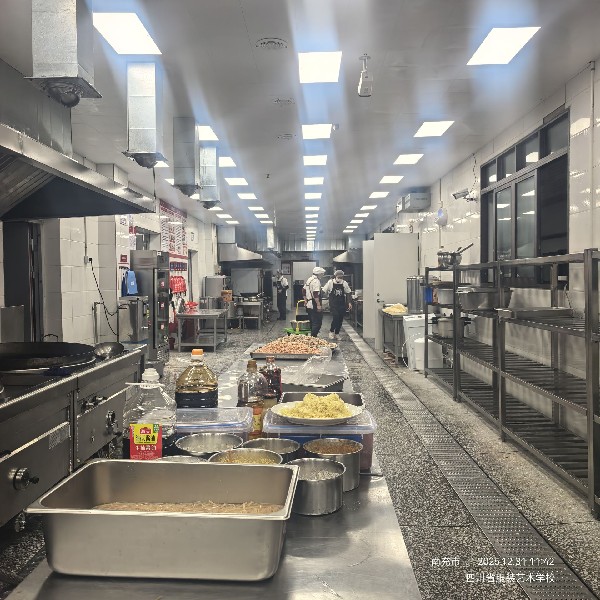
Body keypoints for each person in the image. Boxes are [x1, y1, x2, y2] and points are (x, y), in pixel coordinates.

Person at [322, 270, 352, 340]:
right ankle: (331, 331)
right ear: (335, 276)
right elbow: (323, 290)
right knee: (336, 317)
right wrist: (320, 299)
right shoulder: (330, 282)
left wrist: (349, 302)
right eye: (339, 277)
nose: (340, 278)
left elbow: (348, 293)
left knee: (340, 319)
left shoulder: (344, 283)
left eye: (341, 277)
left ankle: (337, 333)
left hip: (341, 304)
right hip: (333, 304)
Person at [303, 267, 326, 337]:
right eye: (322, 274)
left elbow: (303, 290)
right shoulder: (316, 281)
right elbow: (315, 294)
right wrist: (318, 305)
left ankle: (312, 337)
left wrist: (305, 300)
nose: (322, 275)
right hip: (314, 303)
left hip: (309, 303)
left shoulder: (309, 279)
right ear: (319, 274)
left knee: (312, 321)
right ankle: (313, 337)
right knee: (317, 322)